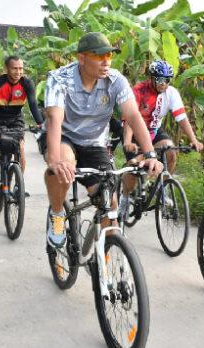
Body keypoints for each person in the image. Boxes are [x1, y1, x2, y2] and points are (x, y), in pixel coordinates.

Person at [40, 32, 162, 248]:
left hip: (94, 142)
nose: (106, 61)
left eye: (109, 56)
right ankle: (57, 214)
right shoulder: (60, 79)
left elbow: (133, 115)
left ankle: (105, 267)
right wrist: (54, 160)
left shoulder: (115, 80)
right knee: (64, 168)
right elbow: (54, 119)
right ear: (81, 58)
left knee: (110, 203)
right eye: (99, 56)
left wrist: (150, 153)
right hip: (64, 136)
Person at [118, 60, 204, 216]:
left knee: (170, 151)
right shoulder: (138, 91)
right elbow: (130, 118)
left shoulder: (171, 93)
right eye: (159, 79)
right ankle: (124, 197)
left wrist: (193, 139)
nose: (163, 84)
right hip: (135, 131)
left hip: (154, 131)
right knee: (134, 166)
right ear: (151, 78)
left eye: (167, 80)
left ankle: (160, 188)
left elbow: (182, 118)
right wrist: (128, 142)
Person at [0, 56, 44, 194]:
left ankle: (18, 184)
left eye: (21, 68)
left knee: (20, 148)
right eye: (14, 68)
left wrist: (41, 123)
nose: (18, 72)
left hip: (15, 119)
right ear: (6, 69)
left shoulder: (27, 83)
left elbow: (33, 105)